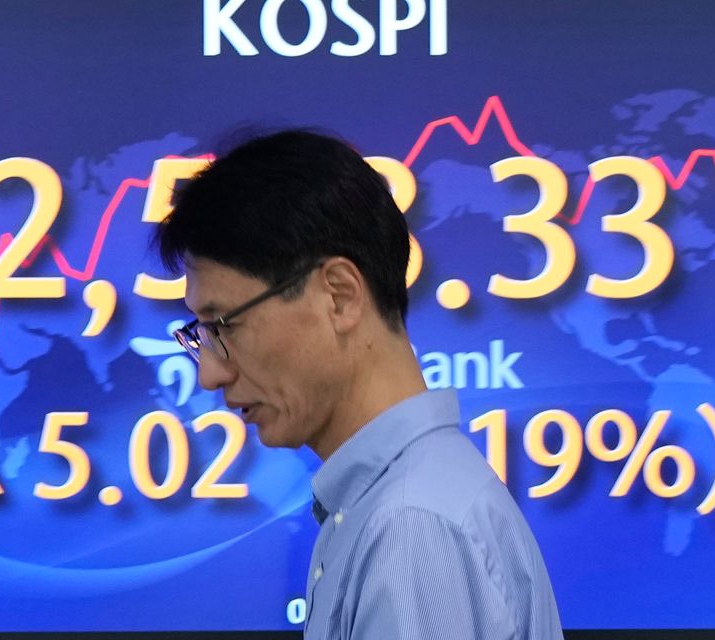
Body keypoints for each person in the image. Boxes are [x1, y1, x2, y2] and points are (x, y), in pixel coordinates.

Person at [155, 130, 563, 640]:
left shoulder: (411, 527)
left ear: (339, 296)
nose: (210, 373)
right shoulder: (396, 501)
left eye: (224, 326)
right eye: (200, 335)